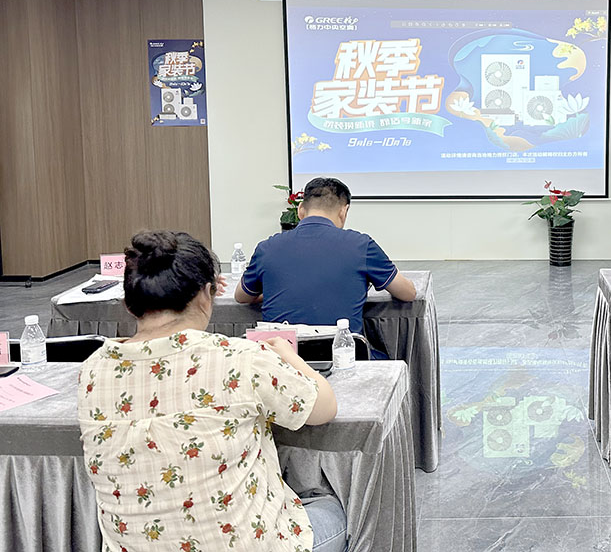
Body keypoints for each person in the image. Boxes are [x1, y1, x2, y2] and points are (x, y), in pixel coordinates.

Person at [78, 231, 347, 552]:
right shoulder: (241, 358)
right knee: (332, 507)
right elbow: (324, 407)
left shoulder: (93, 370)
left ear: (128, 304)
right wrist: (291, 357)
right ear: (207, 295)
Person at [235, 177, 416, 334]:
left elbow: (242, 297)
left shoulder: (266, 248)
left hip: (281, 357)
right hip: (342, 355)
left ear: (300, 210)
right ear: (343, 211)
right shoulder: (362, 245)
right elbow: (407, 293)